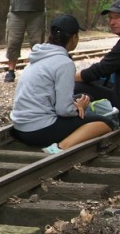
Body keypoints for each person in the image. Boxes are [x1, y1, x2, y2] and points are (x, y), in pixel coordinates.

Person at [11, 14, 113, 155]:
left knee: (84, 96)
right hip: (37, 131)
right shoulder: (64, 63)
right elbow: (63, 111)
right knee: (105, 123)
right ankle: (58, 148)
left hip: (19, 128)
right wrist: (78, 109)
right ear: (74, 38)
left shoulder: (39, 55)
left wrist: (74, 104)